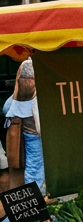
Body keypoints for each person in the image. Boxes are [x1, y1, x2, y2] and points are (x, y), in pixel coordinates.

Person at [3, 59, 43, 194]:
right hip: (32, 127)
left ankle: (36, 198)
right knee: (35, 166)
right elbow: (27, 88)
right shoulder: (30, 65)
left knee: (34, 165)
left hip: (30, 126)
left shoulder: (29, 64)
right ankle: (36, 200)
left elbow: (7, 107)